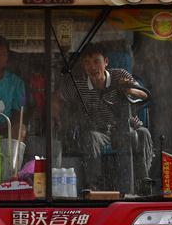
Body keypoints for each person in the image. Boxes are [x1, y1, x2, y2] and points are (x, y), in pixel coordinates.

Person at [58, 44, 154, 193]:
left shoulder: (120, 75)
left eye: (96, 61)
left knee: (143, 133)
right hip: (100, 132)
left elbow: (144, 95)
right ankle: (94, 184)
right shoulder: (79, 85)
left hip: (127, 128)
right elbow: (59, 97)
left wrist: (127, 89)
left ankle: (143, 180)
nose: (92, 67)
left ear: (106, 62)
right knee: (90, 137)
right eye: (87, 63)